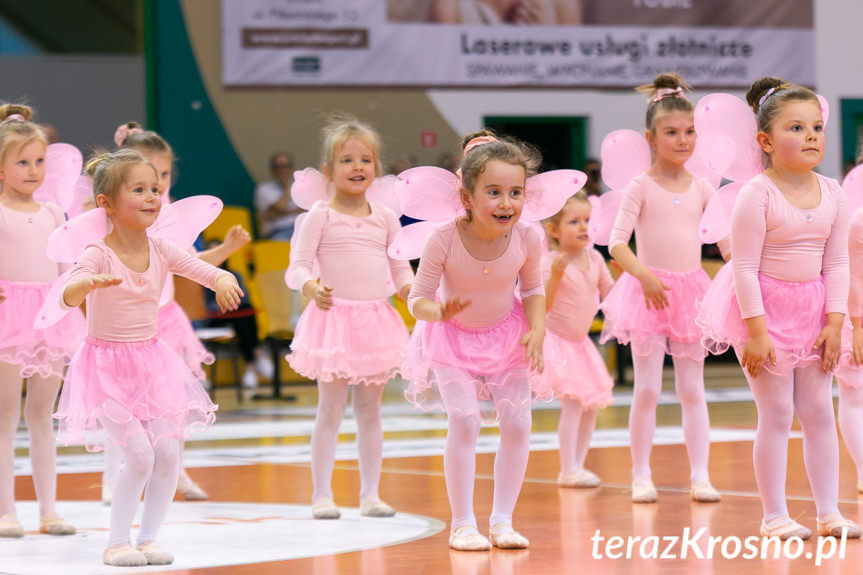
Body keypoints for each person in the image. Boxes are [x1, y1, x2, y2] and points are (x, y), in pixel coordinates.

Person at [54, 149, 243, 566]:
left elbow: (202, 270)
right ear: (106, 204)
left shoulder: (162, 249)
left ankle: (150, 537)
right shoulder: (97, 253)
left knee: (169, 452)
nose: (151, 197)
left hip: (152, 363)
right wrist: (85, 284)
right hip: (104, 368)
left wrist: (224, 277)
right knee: (139, 454)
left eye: (155, 189)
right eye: (138, 189)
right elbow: (67, 294)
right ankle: (116, 542)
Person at [699, 77, 862, 540]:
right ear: (766, 141)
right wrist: (757, 332)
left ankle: (829, 512)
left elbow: (837, 262)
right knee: (775, 415)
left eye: (816, 127)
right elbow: (745, 269)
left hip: (814, 311)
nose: (811, 136)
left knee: (817, 412)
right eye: (796, 127)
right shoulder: (757, 194)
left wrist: (836, 323)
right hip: (762, 313)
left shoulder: (833, 191)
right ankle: (774, 516)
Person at [404, 134, 546, 551]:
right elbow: (417, 299)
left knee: (519, 424)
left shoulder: (528, 237)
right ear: (467, 197)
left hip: (509, 336)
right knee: (464, 420)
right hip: (451, 339)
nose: (506, 203)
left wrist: (537, 328)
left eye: (515, 192)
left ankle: (502, 521)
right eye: (494, 193)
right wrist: (438, 313)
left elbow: (533, 288)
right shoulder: (443, 238)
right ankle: (462, 524)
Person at [105, 122, 254, 503]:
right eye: (150, 176)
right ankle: (117, 479)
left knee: (171, 406)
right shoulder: (117, 218)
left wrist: (223, 254)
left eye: (166, 175)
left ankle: (176, 473)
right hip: (125, 329)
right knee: (123, 408)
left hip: (165, 323)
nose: (159, 185)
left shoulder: (169, 215)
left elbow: (189, 263)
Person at [600, 73, 722, 504]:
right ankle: (639, 474)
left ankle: (701, 476)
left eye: (689, 132)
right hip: (646, 294)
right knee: (648, 388)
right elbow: (616, 242)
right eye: (672, 132)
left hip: (691, 293)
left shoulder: (704, 187)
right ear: (651, 137)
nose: (682, 140)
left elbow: (724, 240)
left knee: (692, 389)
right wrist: (644, 275)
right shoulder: (640, 186)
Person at [287, 117, 413, 520]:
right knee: (330, 409)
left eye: (366, 160)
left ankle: (370, 494)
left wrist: (416, 296)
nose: (357, 167)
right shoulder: (319, 215)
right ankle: (322, 494)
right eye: (346, 160)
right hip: (333, 320)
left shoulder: (386, 218)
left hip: (377, 319)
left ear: (376, 168)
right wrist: (311, 288)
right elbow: (298, 267)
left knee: (371, 411)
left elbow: (402, 272)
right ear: (328, 171)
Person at [0, 104, 85, 538]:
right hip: (6, 319)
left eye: (39, 162)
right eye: (22, 162)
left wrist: (80, 295)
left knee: (41, 414)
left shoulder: (53, 214)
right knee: (5, 414)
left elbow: (66, 271)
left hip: (49, 318)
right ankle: (5, 510)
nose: (33, 171)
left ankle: (50, 510)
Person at [541, 191, 614, 488]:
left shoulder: (595, 258)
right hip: (557, 342)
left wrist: (626, 283)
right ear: (554, 230)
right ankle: (567, 468)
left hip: (581, 344)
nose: (583, 227)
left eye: (587, 220)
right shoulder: (551, 262)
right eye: (574, 222)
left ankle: (579, 465)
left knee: (590, 406)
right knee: (572, 405)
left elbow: (610, 296)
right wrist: (556, 276)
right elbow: (541, 306)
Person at [837, 207, 863, 495]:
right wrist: (857, 329)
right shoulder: (859, 221)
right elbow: (854, 276)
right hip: (855, 317)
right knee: (854, 394)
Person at [254, 152, 303, 240]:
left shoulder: (302, 186)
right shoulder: (263, 189)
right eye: (278, 167)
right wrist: (288, 187)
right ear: (272, 170)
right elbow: (279, 208)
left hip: (302, 230)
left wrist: (281, 213)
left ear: (291, 169)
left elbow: (309, 210)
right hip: (278, 232)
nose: (283, 170)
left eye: (286, 166)